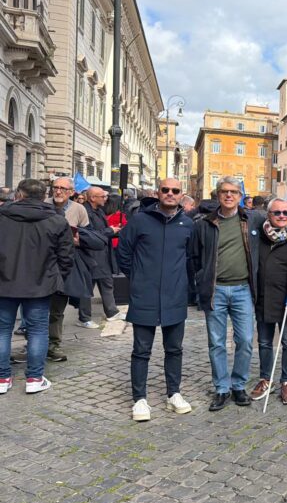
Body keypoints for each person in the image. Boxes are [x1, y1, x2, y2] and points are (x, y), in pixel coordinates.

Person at [117, 179, 194, 422]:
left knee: (175, 349)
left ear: (182, 195)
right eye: (165, 190)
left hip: (174, 295)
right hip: (145, 294)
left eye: (175, 191)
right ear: (157, 193)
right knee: (141, 350)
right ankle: (139, 398)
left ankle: (174, 393)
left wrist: (183, 283)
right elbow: (123, 252)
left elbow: (191, 259)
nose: (170, 194)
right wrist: (137, 277)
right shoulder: (140, 220)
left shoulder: (187, 224)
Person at [192, 176, 264, 412]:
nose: (229, 195)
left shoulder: (252, 219)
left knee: (244, 341)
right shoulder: (204, 224)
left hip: (243, 289)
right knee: (217, 343)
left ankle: (239, 385)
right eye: (225, 192)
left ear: (241, 196)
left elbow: (282, 223)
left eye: (234, 192)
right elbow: (193, 257)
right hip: (216, 290)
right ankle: (221, 388)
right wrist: (200, 279)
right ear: (218, 195)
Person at [0, 179, 74, 395]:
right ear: (44, 196)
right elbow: (67, 256)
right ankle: (34, 377)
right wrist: (57, 277)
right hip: (41, 282)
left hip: (5, 282)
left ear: (19, 195)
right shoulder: (56, 220)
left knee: (3, 330)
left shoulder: (2, 216)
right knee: (38, 330)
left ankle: (3, 378)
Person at [250, 198, 287, 405]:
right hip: (263, 297)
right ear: (268, 215)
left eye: (286, 213)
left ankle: (286, 382)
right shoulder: (258, 235)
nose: (282, 216)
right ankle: (265, 379)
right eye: (277, 213)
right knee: (264, 342)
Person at [45, 177, 91, 361]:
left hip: (63, 267)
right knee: (35, 310)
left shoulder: (79, 209)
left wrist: (78, 241)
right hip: (41, 265)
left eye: (63, 189)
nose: (58, 192)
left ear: (71, 192)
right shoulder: (43, 205)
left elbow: (87, 235)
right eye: (55, 187)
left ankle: (53, 345)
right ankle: (33, 343)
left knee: (56, 310)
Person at [79, 186, 124, 328]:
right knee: (88, 287)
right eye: (102, 197)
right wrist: (110, 230)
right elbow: (90, 233)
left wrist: (113, 231)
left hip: (102, 254)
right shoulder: (85, 211)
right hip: (90, 254)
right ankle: (84, 317)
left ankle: (112, 311)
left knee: (107, 282)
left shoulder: (98, 211)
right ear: (93, 198)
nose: (105, 199)